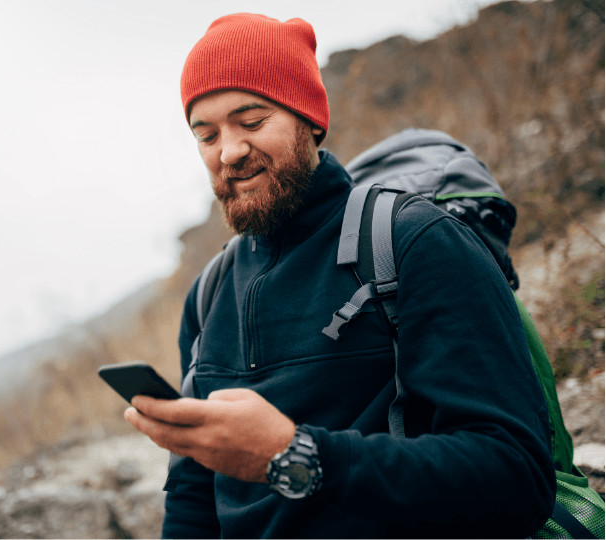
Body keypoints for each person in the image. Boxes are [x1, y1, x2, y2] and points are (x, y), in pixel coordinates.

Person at [124, 13, 556, 539]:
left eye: (252, 121)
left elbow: (516, 477)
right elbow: (195, 495)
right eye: (206, 134)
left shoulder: (412, 240)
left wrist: (295, 456)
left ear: (309, 119)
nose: (229, 152)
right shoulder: (210, 293)